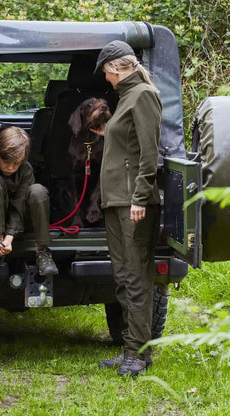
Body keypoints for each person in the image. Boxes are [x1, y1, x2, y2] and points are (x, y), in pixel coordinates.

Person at [94, 41, 162, 377]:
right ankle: (130, 350)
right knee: (122, 277)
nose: (105, 78)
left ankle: (139, 354)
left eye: (105, 72)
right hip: (116, 202)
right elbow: (127, 147)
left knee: (136, 277)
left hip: (133, 204)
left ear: (117, 66)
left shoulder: (143, 95)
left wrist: (140, 197)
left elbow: (149, 154)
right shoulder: (125, 99)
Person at [0, 126, 58, 278]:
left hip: (19, 219)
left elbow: (19, 205)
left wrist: (10, 237)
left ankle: (43, 251)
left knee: (38, 191)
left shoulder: (26, 169)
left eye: (16, 163)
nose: (10, 167)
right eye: (6, 161)